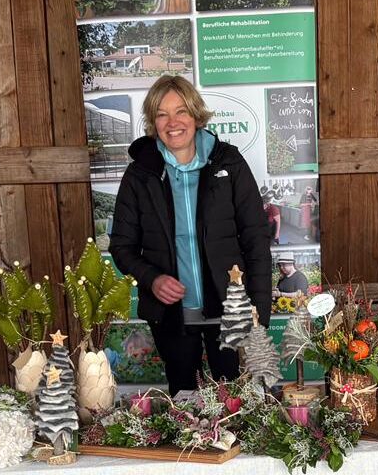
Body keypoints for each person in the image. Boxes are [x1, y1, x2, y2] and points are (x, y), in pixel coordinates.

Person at [110, 76, 271, 395]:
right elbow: (122, 246)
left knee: (235, 399)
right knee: (185, 401)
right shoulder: (140, 174)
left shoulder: (229, 163)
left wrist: (259, 313)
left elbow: (255, 238)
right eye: (162, 114)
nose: (173, 123)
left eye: (181, 111)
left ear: (196, 116)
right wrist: (153, 279)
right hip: (172, 315)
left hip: (230, 308)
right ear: (153, 123)